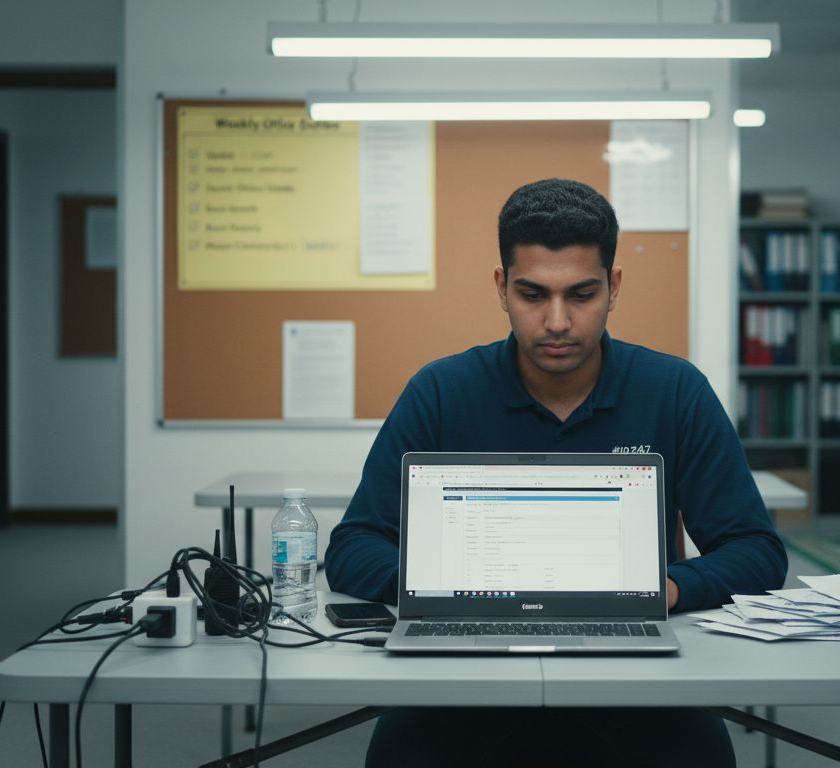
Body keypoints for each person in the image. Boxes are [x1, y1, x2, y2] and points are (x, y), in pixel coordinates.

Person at [326, 178, 788, 768]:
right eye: (533, 294)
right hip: (463, 682)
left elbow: (756, 551)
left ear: (614, 287)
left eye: (582, 294)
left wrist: (663, 591)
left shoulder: (674, 392)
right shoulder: (441, 391)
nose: (557, 321)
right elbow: (353, 545)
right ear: (501, 288)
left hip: (637, 687)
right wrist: (443, 589)